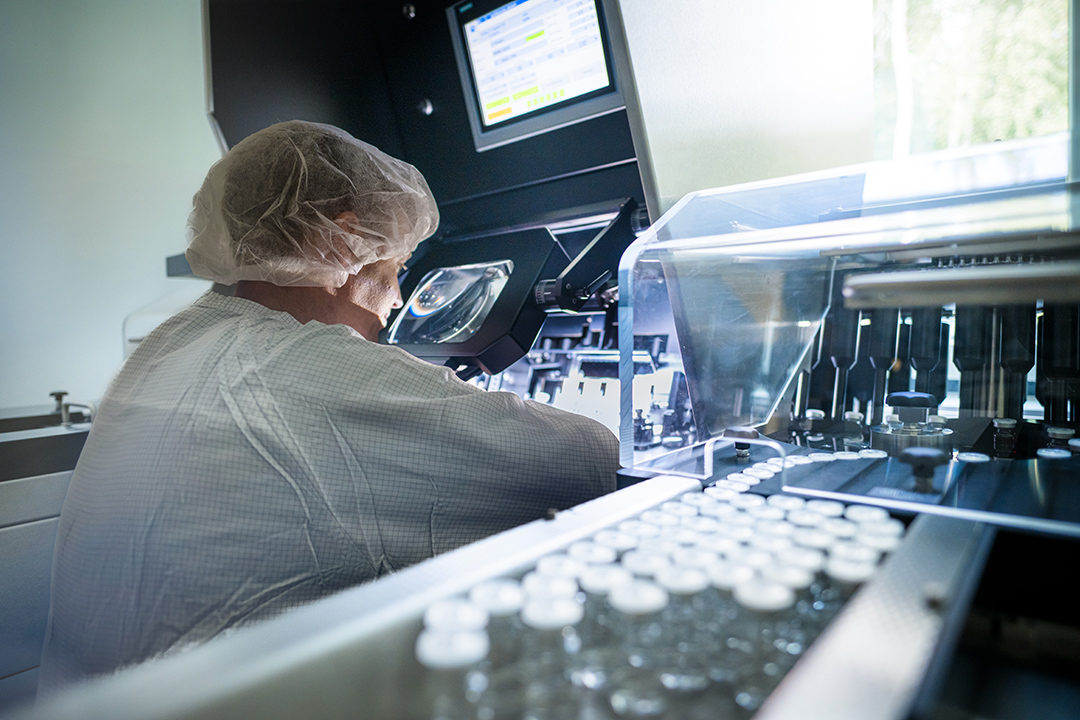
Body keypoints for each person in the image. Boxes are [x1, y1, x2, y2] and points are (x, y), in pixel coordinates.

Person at [39, 121, 618, 693]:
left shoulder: (174, 340)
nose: (395, 302)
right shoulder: (313, 367)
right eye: (398, 269)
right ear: (340, 242)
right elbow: (585, 460)